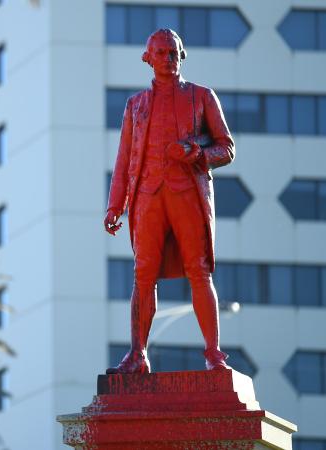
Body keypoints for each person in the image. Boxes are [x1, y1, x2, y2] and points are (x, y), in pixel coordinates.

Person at [104, 29, 235, 374]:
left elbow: (227, 148)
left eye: (173, 52)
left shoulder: (202, 97)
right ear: (148, 58)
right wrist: (114, 206)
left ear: (182, 55)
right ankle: (137, 355)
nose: (167, 58)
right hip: (147, 196)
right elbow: (123, 160)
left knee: (199, 269)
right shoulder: (136, 105)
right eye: (160, 53)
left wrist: (197, 153)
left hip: (186, 194)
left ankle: (213, 354)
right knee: (143, 274)